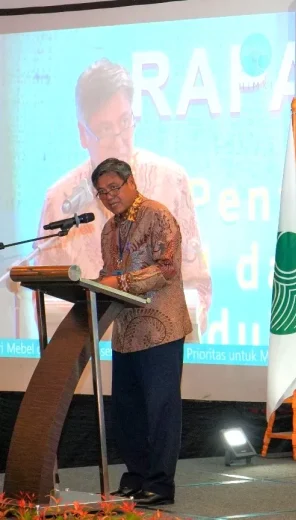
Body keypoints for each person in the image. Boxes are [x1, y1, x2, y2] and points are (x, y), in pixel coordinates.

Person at [34, 58, 211, 334]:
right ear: (83, 134)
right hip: (88, 353)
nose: (118, 140)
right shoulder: (60, 202)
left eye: (125, 122)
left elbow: (197, 285)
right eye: (105, 129)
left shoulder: (171, 183)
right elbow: (45, 304)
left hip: (158, 346)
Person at [94, 157, 191, 507]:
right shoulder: (109, 229)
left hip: (160, 329)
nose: (109, 196)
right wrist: (94, 284)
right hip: (125, 332)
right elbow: (108, 273)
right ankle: (136, 478)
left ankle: (160, 484)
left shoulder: (157, 215)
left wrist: (118, 282)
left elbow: (167, 269)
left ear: (131, 182)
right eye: (102, 192)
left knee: (160, 409)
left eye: (114, 188)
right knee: (127, 411)